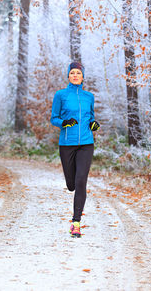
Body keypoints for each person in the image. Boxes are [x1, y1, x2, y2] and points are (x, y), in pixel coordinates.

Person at [50, 62, 100, 238]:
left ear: (83, 76)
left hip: (86, 143)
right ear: (68, 76)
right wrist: (63, 122)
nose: (76, 75)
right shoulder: (61, 95)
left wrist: (93, 124)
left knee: (80, 182)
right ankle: (71, 186)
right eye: (72, 73)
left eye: (79, 72)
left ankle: (76, 223)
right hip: (67, 144)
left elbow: (91, 117)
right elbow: (53, 118)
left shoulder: (89, 97)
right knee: (71, 184)